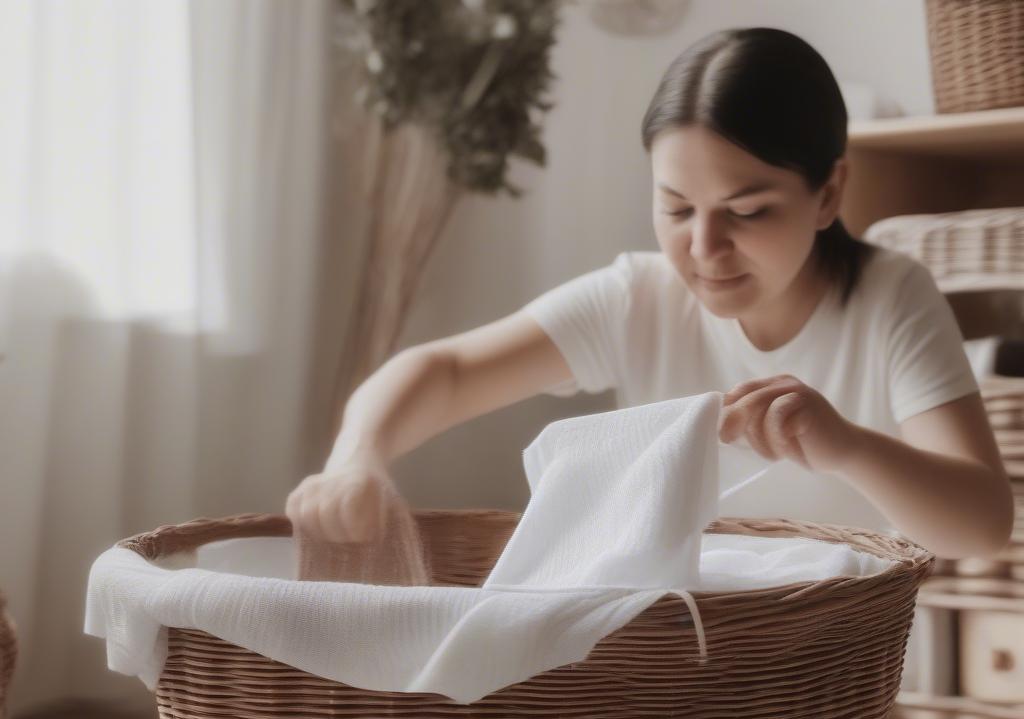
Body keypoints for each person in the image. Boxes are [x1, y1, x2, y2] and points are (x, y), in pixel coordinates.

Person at [286, 26, 1013, 563]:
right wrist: (356, 459)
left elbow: (980, 527)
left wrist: (846, 446)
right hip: (666, 662)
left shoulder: (890, 298)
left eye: (748, 211)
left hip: (821, 678)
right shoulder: (639, 298)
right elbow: (443, 371)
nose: (703, 247)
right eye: (674, 207)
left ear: (828, 194)